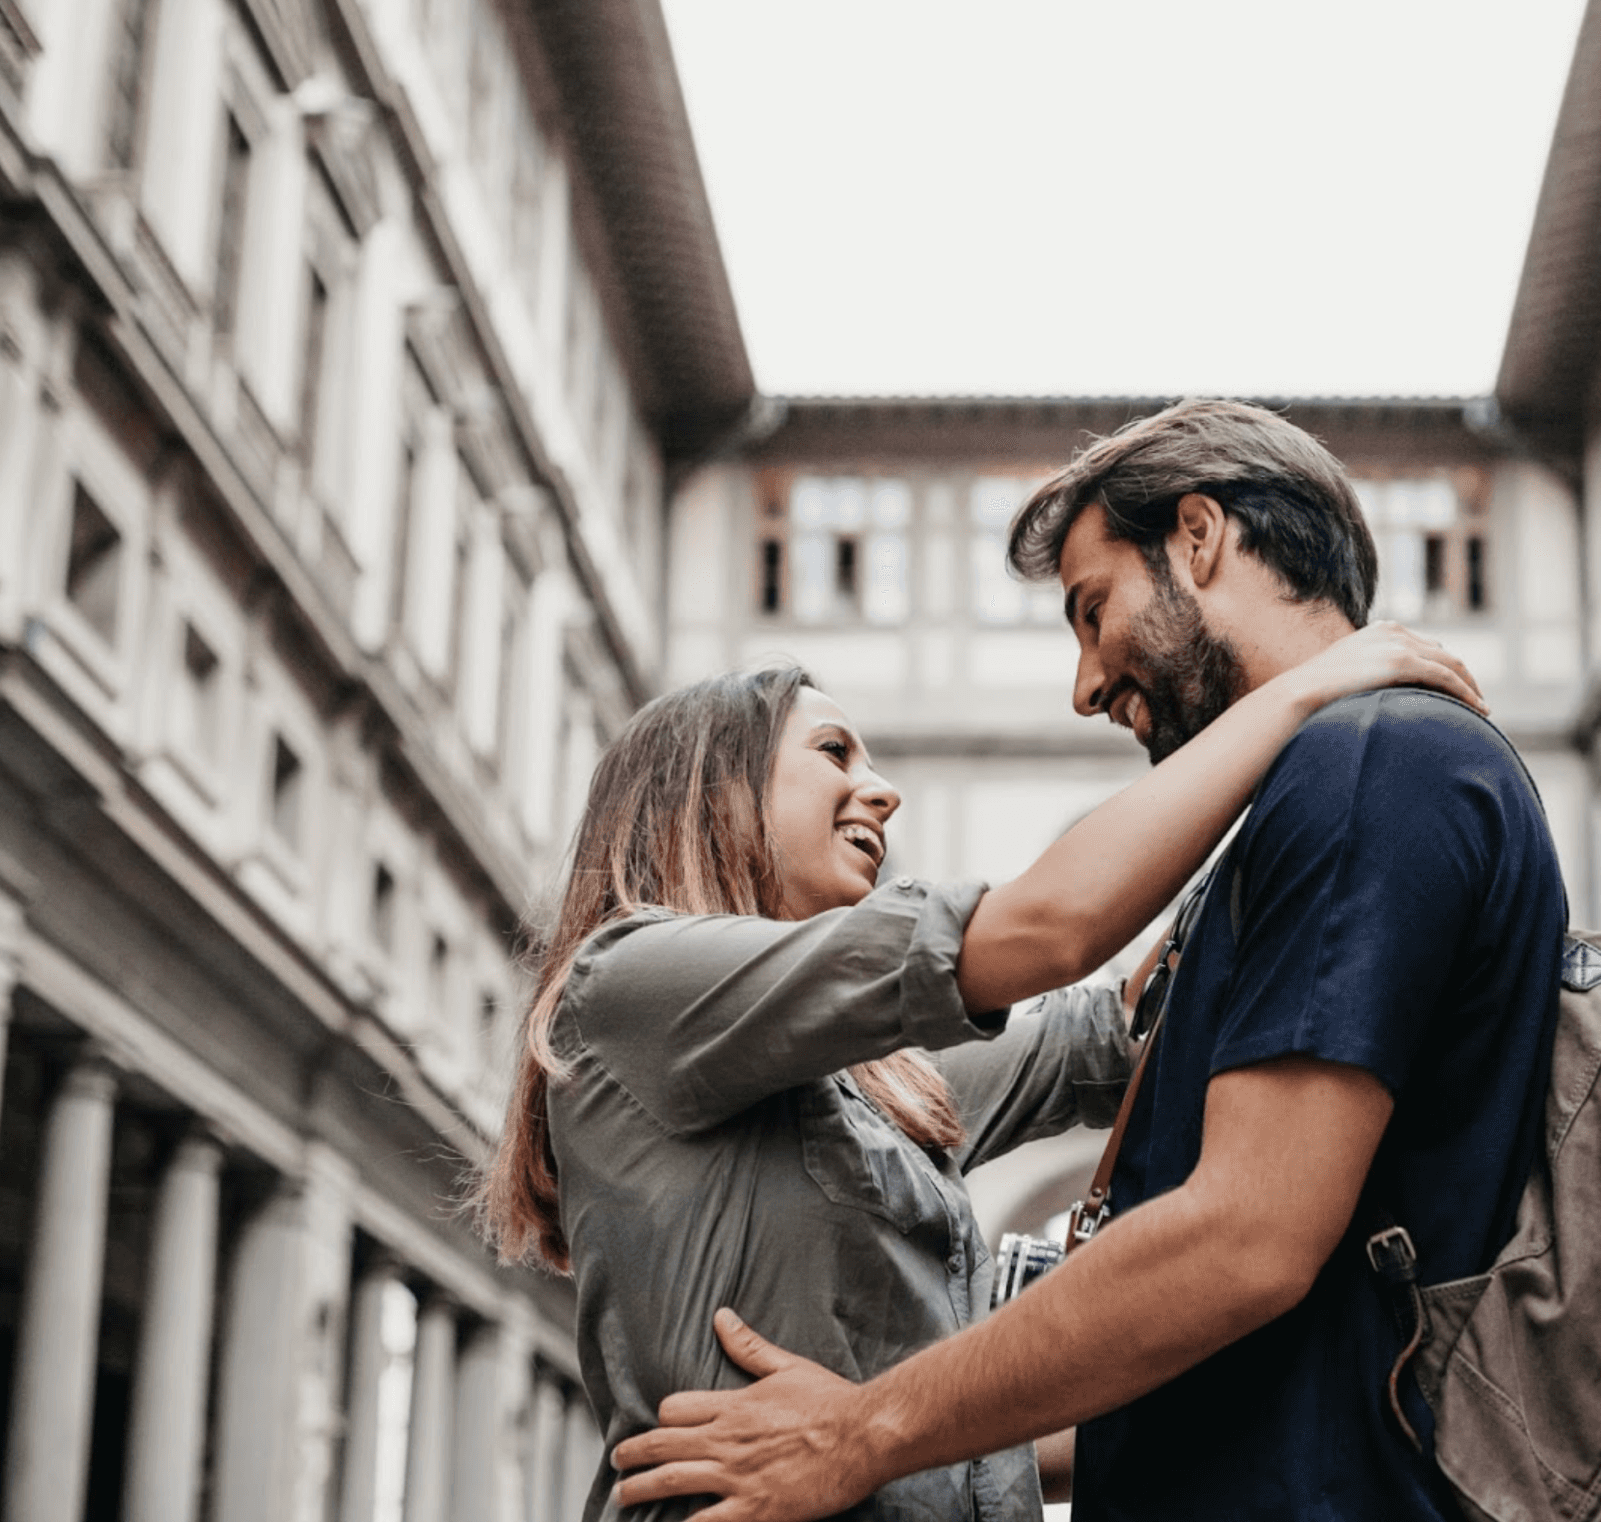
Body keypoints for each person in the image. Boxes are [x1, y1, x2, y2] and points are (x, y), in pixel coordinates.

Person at [612, 399, 1572, 1522]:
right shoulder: (648, 992)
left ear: (1199, 538)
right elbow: (1065, 974)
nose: (1081, 686)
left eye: (1090, 608)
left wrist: (864, 1430)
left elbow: (1240, 1232)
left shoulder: (1361, 767)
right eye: (831, 752)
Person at [472, 619, 1483, 1522]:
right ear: (711, 791)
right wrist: (1297, 696)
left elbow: (1112, 1033)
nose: (882, 787)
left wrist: (1322, 814)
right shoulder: (627, 985)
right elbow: (1047, 929)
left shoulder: (874, 1085)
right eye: (832, 752)